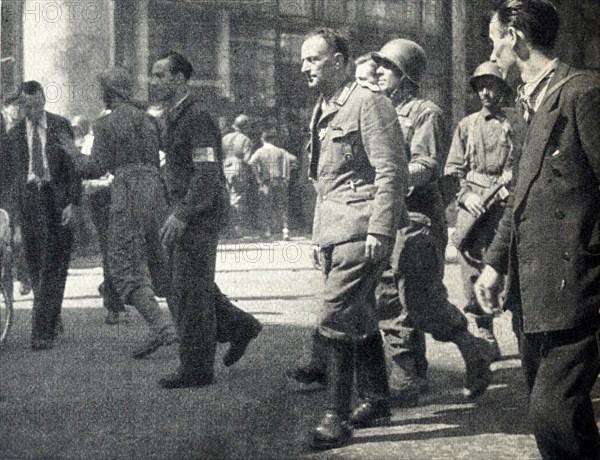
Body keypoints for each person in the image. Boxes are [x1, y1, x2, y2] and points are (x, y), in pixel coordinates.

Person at [475, 1, 600, 458]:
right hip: (534, 291)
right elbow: (520, 197)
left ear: (515, 37)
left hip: (577, 287)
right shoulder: (529, 103)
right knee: (564, 421)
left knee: (553, 414)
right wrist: (492, 266)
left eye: (494, 42)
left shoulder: (582, 92)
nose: (494, 54)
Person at [300, 28, 408, 448]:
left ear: (341, 62)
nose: (305, 67)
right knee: (358, 313)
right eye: (304, 60)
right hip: (335, 230)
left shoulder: (369, 104)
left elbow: (391, 171)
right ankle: (377, 398)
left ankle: (335, 417)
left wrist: (381, 229)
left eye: (314, 59)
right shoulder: (323, 108)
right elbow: (323, 181)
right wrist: (317, 237)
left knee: (334, 316)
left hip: (362, 228)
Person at [372, 38, 493, 403]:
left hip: (418, 216)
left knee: (420, 297)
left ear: (406, 75)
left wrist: (390, 177)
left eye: (387, 66)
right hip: (385, 214)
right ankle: (408, 373)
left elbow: (428, 165)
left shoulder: (426, 112)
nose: (378, 71)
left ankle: (471, 346)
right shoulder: (376, 110)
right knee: (388, 297)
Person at [150, 52, 262, 389]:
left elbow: (207, 174)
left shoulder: (197, 117)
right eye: (154, 76)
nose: (155, 83)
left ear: (181, 78)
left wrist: (183, 214)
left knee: (191, 292)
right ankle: (240, 326)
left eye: (161, 76)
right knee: (189, 282)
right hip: (184, 211)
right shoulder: (176, 115)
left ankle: (196, 369)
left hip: (197, 214)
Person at [64, 67, 178, 358]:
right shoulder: (150, 120)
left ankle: (162, 329)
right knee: (162, 262)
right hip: (156, 191)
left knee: (123, 268)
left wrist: (72, 153)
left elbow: (95, 167)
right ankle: (189, 325)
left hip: (128, 193)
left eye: (102, 88)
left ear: (111, 91)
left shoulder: (106, 124)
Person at [445, 61, 526, 359]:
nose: (485, 92)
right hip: (474, 208)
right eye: (480, 87)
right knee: (471, 266)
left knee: (509, 266)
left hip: (505, 205)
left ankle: (522, 331)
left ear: (502, 89)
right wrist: (466, 196)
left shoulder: (514, 123)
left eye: (491, 86)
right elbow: (453, 170)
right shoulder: (467, 125)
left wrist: (510, 176)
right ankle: (484, 332)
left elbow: (524, 159)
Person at [2, 81, 80, 350]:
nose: (31, 110)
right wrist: (9, 214)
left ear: (44, 101)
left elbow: (73, 167)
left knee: (54, 266)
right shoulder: (12, 136)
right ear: (21, 105)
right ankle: (50, 315)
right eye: (26, 105)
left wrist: (72, 202)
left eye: (35, 105)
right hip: (29, 202)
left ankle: (41, 332)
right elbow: (7, 177)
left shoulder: (60, 126)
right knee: (36, 265)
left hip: (56, 200)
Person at [72, 114, 128, 325]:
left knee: (125, 251)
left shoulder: (124, 140)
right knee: (109, 252)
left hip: (126, 200)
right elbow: (85, 178)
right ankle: (113, 304)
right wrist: (107, 183)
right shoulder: (90, 143)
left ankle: (111, 290)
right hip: (103, 203)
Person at [1, 94, 31, 297]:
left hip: (17, 190)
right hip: (4, 189)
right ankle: (7, 288)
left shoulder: (25, 130)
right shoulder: (5, 128)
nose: (18, 111)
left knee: (19, 238)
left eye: (21, 107)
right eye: (15, 107)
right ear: (6, 107)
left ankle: (23, 275)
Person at [248, 127, 298, 240]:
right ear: (273, 139)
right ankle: (285, 231)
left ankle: (267, 232)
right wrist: (287, 172)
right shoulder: (281, 151)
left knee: (266, 206)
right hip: (280, 181)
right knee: (282, 206)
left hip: (266, 182)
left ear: (262, 139)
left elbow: (251, 162)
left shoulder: (260, 151)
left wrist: (258, 177)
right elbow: (294, 159)